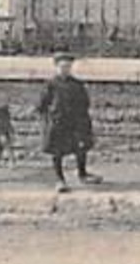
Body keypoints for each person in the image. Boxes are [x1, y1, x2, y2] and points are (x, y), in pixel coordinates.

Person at [37, 52, 102, 192]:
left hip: (75, 122)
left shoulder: (77, 85)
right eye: (62, 67)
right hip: (58, 123)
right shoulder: (51, 85)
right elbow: (42, 105)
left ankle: (82, 173)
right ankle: (59, 179)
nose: (65, 69)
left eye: (67, 66)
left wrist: (83, 120)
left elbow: (85, 103)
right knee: (57, 151)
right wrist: (47, 120)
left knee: (81, 148)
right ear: (56, 67)